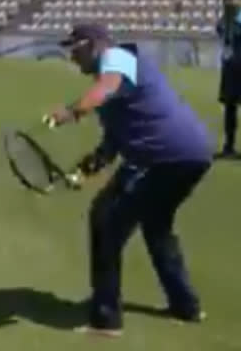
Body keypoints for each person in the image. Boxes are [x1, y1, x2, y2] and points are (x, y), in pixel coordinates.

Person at [47, 23, 213, 337]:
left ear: (94, 44)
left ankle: (106, 319)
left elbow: (106, 88)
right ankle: (186, 306)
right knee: (156, 226)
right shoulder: (113, 86)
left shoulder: (117, 57)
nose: (71, 56)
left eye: (75, 48)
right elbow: (112, 144)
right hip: (188, 155)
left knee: (107, 223)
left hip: (166, 157)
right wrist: (82, 172)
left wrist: (71, 112)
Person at [216, 0, 241, 157]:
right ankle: (229, 147)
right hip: (230, 69)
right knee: (230, 108)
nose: (231, 2)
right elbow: (222, 35)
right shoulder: (223, 21)